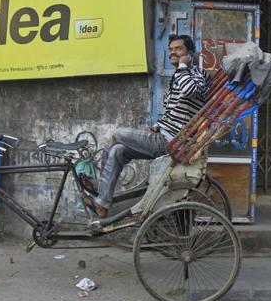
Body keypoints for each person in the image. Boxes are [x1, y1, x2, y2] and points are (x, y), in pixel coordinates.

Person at [83, 34, 210, 218]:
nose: (173, 52)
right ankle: (102, 202)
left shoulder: (197, 74)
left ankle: (99, 184)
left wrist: (183, 65)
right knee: (118, 151)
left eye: (179, 49)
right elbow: (175, 112)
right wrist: (159, 124)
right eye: (172, 49)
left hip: (171, 141)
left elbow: (190, 91)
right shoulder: (180, 75)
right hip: (165, 134)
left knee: (118, 134)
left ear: (189, 53)